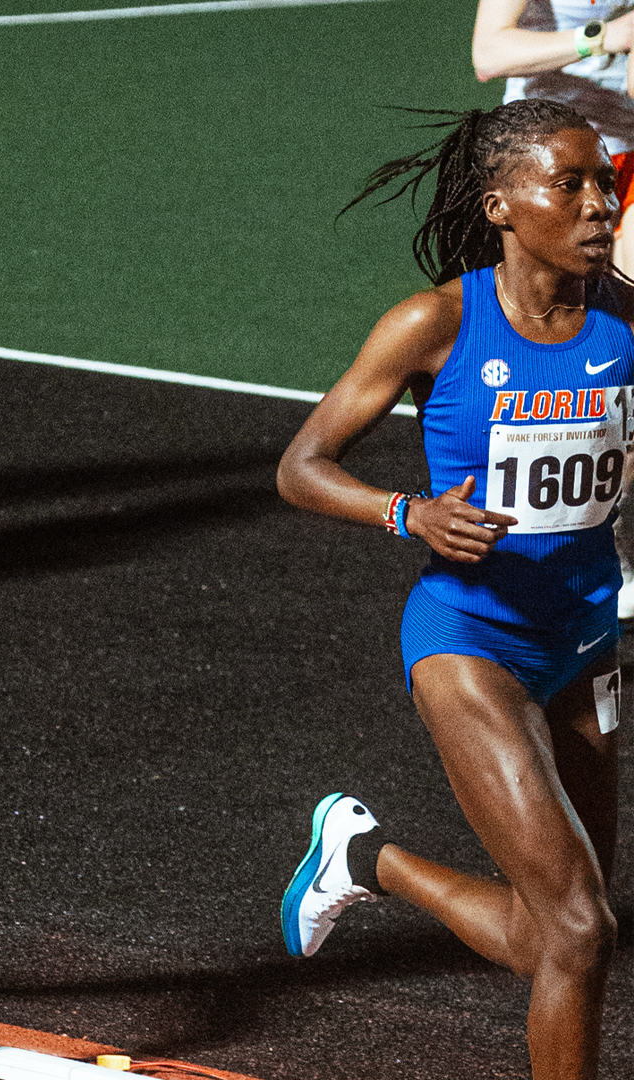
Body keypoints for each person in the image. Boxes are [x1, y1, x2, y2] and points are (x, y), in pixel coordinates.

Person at [277, 100, 627, 1080]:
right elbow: (301, 466)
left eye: (608, 182)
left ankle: (365, 861)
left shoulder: (625, 319)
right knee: (581, 929)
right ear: (503, 204)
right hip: (473, 642)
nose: (601, 204)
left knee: (559, 931)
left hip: (588, 645)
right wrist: (408, 514)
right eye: (573, 184)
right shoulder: (436, 323)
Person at [474, 0, 634, 618]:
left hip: (628, 152)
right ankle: (583, 532)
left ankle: (609, 529)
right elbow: (490, 54)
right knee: (569, 350)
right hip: (550, 169)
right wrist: (608, 36)